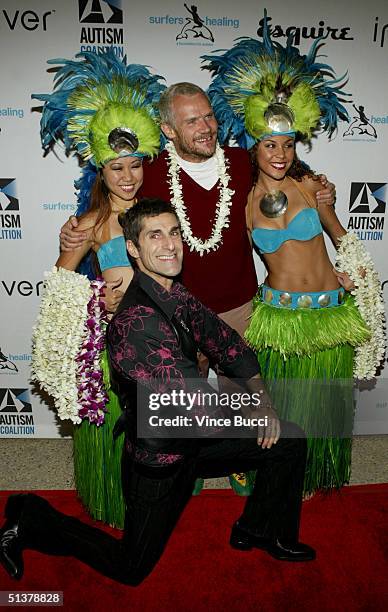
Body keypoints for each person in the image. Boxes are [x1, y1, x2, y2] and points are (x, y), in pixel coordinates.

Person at [0, 198, 315, 586]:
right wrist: (252, 409)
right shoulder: (138, 322)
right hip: (160, 461)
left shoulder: (172, 292)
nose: (170, 244)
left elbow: (228, 344)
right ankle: (28, 517)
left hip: (194, 442)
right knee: (129, 567)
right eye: (155, 235)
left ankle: (260, 530)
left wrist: (263, 404)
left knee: (289, 440)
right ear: (133, 248)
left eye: (174, 232)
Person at [59, 81, 336, 496]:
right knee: (180, 404)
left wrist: (321, 188)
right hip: (174, 314)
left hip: (238, 305)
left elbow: (281, 166)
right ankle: (188, 464)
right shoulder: (147, 171)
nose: (206, 127)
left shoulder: (242, 162)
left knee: (239, 394)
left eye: (208, 116)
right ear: (169, 130)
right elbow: (112, 191)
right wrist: (75, 235)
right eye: (192, 121)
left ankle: (242, 462)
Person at [202, 13, 384, 494]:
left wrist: (355, 275)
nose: (279, 153)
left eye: (287, 144)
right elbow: (224, 256)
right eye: (269, 144)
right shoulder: (238, 203)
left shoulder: (309, 186)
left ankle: (314, 473)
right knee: (278, 401)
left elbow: (340, 235)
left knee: (322, 403)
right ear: (252, 147)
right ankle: (265, 467)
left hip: (329, 311)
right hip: (278, 314)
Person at [30, 50, 165, 527]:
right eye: (116, 168)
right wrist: (93, 298)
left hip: (157, 346)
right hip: (113, 347)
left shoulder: (155, 215)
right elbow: (58, 289)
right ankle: (112, 503)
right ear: (100, 172)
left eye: (134, 165)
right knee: (113, 433)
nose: (128, 177)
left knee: (153, 439)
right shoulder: (89, 223)